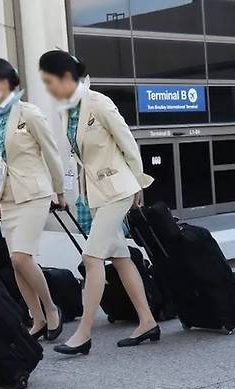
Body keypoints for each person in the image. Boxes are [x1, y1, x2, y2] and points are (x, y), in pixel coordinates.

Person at [38, 50, 160, 356]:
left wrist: (138, 182)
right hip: (94, 194)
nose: (48, 88)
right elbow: (76, 157)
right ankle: (147, 321)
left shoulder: (99, 103)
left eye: (50, 81)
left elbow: (127, 141)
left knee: (92, 259)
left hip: (117, 189)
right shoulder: (67, 111)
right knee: (120, 257)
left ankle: (83, 334)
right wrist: (66, 190)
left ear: (66, 77)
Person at [0, 58, 66, 341]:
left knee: (22, 257)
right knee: (16, 261)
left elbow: (51, 152)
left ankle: (51, 309)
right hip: (8, 196)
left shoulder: (29, 112)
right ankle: (36, 317)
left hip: (34, 193)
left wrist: (60, 191)